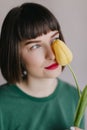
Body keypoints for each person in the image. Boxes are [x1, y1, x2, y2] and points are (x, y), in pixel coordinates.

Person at [0, 2, 84, 130]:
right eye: (35, 46)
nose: (51, 55)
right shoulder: (2, 104)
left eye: (55, 39)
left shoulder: (75, 97)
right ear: (15, 54)